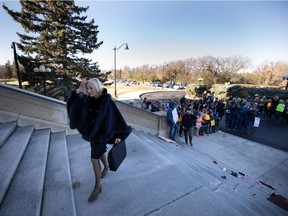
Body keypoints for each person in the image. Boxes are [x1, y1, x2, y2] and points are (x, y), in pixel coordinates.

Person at [66, 78, 132, 203]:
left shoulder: (107, 101)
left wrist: (120, 135)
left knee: (93, 158)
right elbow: (73, 103)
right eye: (88, 88)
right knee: (99, 152)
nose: (89, 91)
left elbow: (117, 118)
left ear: (98, 88)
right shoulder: (87, 99)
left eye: (92, 88)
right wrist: (81, 88)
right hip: (92, 135)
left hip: (103, 135)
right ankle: (106, 167)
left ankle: (97, 186)